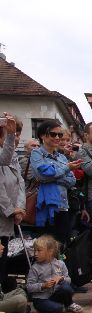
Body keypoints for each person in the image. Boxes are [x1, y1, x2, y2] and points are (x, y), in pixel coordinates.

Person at [30, 120, 81, 245]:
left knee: (62, 245)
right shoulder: (37, 153)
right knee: (46, 245)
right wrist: (66, 169)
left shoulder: (61, 157)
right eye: (53, 134)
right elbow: (42, 177)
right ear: (42, 136)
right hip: (46, 205)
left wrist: (54, 174)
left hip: (63, 204)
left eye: (60, 135)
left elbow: (72, 181)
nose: (57, 138)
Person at [27, 235, 83, 313]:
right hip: (41, 299)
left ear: (50, 251)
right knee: (57, 309)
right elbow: (29, 287)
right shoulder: (35, 268)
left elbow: (68, 280)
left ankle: (69, 304)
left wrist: (61, 278)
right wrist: (43, 285)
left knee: (66, 288)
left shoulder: (60, 264)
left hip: (55, 295)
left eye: (39, 251)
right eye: (35, 250)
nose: (35, 253)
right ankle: (46, 308)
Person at [0, 115, 25, 292]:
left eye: (17, 133)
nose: (15, 137)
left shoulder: (13, 156)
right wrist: (10, 210)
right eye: (10, 133)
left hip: (9, 217)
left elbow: (20, 183)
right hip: (3, 213)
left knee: (3, 259)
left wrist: (20, 208)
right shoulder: (5, 156)